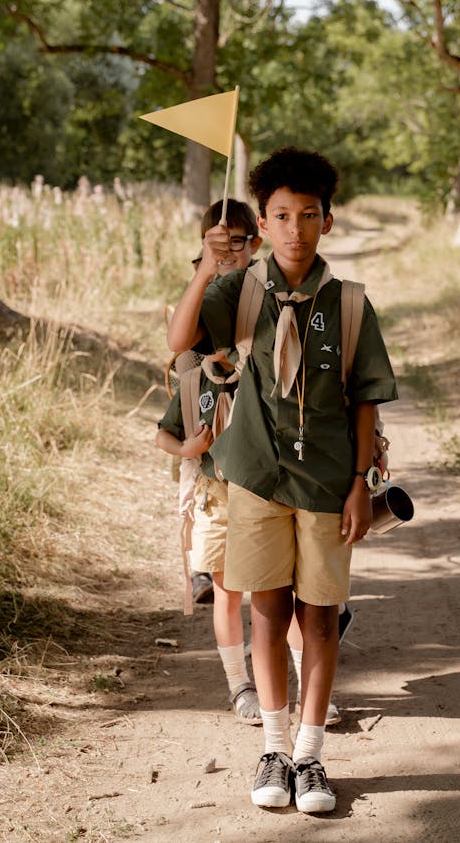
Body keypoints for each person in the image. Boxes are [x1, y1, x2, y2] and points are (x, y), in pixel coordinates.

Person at [167, 148, 398, 814]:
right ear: (261, 225)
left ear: (328, 220)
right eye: (280, 216)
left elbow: (364, 403)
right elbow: (180, 341)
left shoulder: (350, 306)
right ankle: (272, 747)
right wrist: (212, 264)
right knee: (266, 613)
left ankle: (310, 755)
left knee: (319, 618)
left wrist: (360, 482)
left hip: (328, 484)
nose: (295, 228)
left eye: (308, 215)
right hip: (255, 480)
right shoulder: (238, 292)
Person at [157, 199, 264, 724]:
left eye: (237, 242)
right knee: (228, 590)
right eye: (218, 242)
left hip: (269, 478)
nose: (229, 252)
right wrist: (206, 267)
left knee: (279, 590)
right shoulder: (202, 312)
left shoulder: (265, 293)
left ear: (256, 243)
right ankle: (239, 684)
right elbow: (179, 342)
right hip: (218, 482)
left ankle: (292, 679)